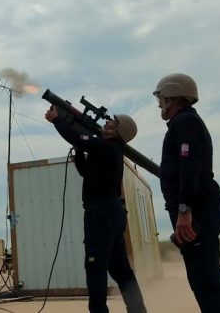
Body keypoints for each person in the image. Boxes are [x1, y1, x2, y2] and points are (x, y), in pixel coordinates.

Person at [45, 106, 147, 313]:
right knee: (121, 270)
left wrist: (57, 120)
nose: (107, 122)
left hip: (101, 213)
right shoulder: (108, 149)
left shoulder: (106, 146)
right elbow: (85, 170)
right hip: (110, 213)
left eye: (112, 122)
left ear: (116, 131)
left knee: (95, 267)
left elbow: (76, 137)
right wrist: (79, 150)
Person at [153, 73, 220, 313]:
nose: (159, 105)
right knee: (204, 279)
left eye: (161, 99)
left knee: (207, 281)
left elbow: (189, 166)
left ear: (171, 96)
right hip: (197, 209)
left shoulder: (185, 122)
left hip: (196, 210)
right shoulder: (184, 123)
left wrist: (184, 209)